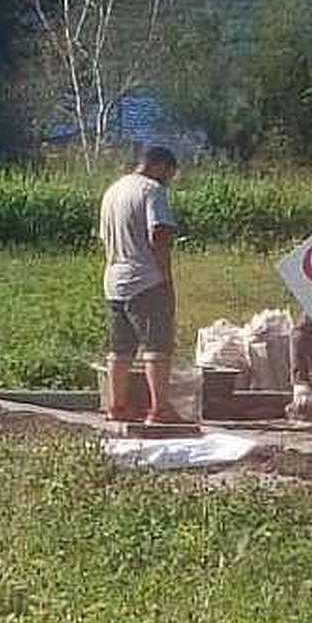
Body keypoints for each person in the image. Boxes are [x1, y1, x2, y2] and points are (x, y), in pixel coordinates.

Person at [99, 145, 189, 426]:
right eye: (170, 174)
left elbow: (104, 238)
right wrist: (166, 275)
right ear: (160, 166)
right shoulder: (152, 190)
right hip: (146, 279)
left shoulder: (113, 191)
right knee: (157, 345)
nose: (169, 181)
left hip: (114, 280)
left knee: (120, 349)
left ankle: (116, 405)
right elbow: (158, 234)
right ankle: (159, 409)